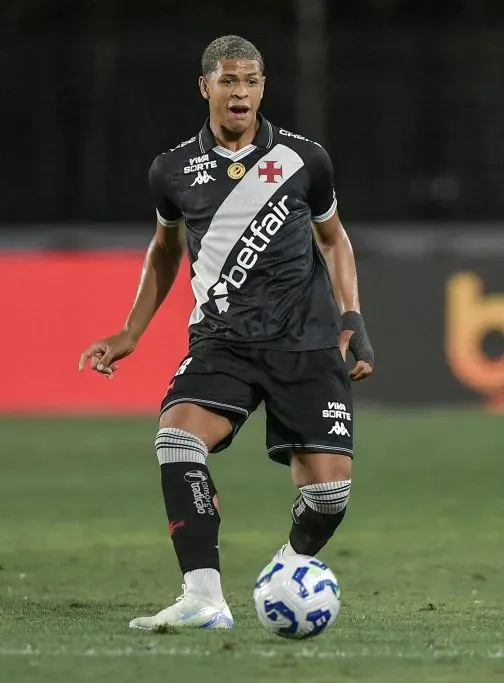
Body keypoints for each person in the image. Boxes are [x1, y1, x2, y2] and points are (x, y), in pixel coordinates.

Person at [77, 35, 374, 631]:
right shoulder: (173, 169)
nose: (241, 93)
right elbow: (164, 251)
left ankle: (289, 569)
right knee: (177, 439)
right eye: (229, 81)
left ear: (264, 86)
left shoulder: (303, 158)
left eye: (252, 81)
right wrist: (132, 331)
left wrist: (353, 317)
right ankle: (204, 597)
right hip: (224, 342)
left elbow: (333, 237)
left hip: (305, 340)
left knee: (328, 494)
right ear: (205, 86)